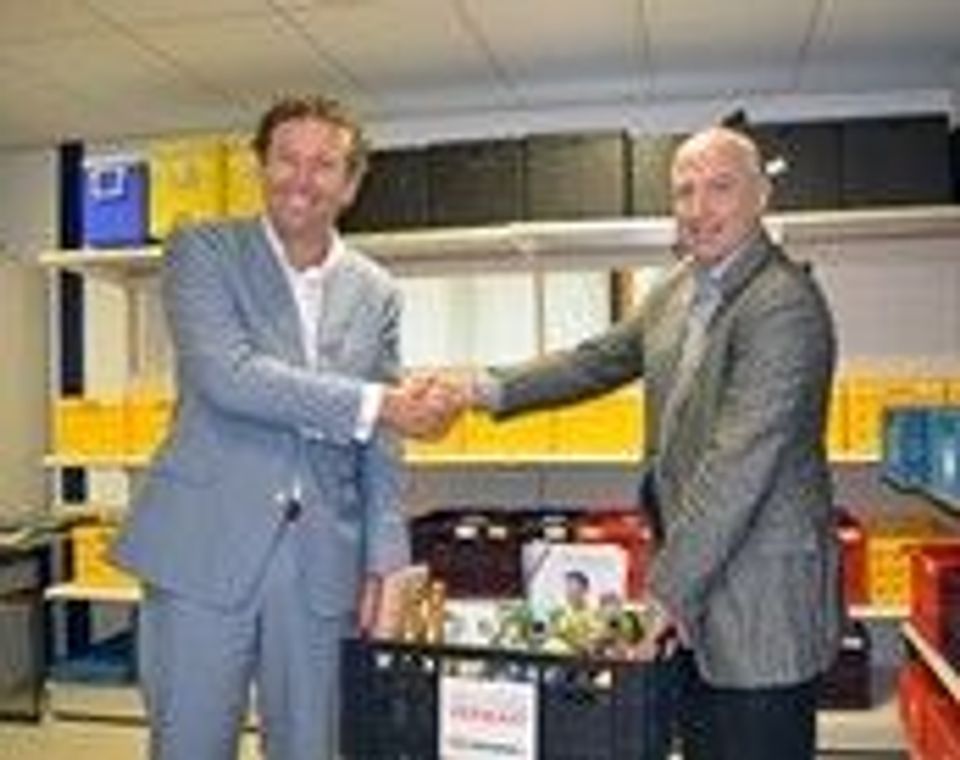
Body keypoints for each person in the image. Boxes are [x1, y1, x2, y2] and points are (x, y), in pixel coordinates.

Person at [441, 126, 843, 759]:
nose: (699, 208)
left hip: (758, 600)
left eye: (720, 188)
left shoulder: (782, 305)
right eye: (684, 191)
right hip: (696, 582)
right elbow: (595, 360)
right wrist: (477, 389)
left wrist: (663, 596)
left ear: (761, 196)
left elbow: (737, 469)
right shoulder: (679, 286)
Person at [112, 95, 453, 760]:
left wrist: (386, 560)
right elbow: (229, 376)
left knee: (312, 745)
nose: (302, 178)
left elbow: (382, 444)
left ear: (350, 184)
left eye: (324, 164)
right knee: (189, 744)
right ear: (261, 168)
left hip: (323, 559)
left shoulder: (377, 290)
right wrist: (378, 403)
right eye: (286, 159)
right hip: (203, 545)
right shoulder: (202, 249)